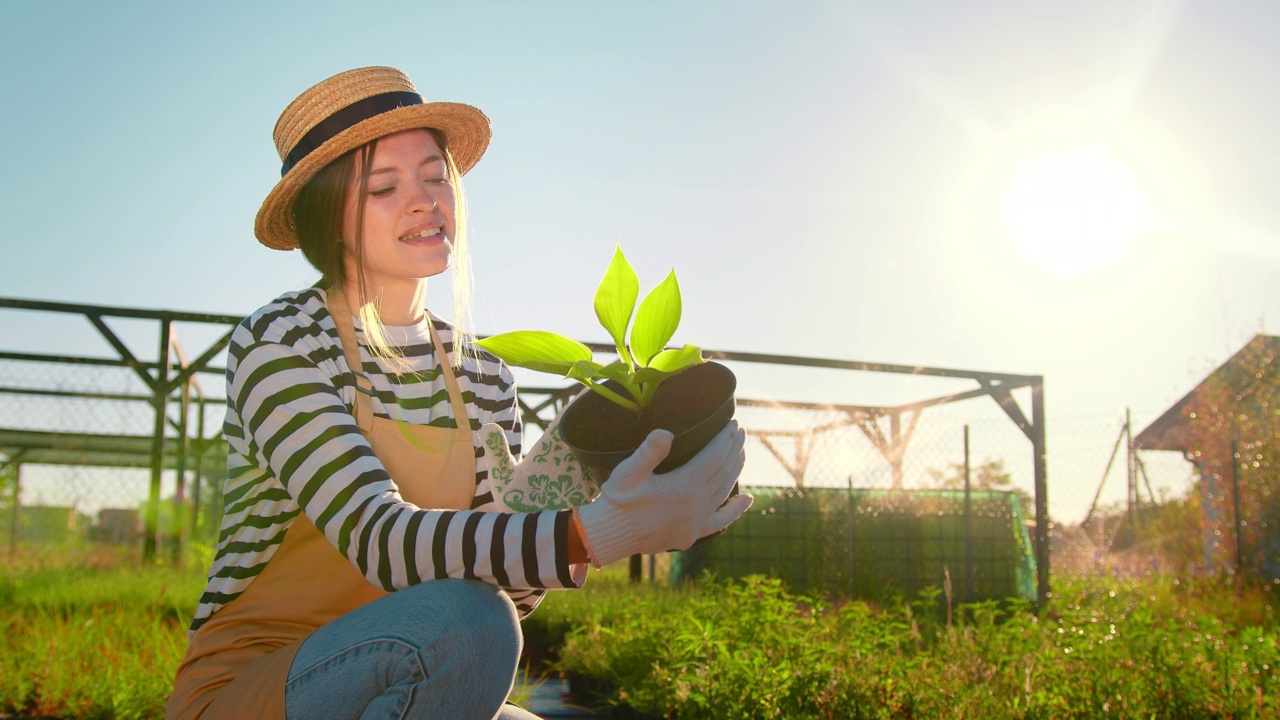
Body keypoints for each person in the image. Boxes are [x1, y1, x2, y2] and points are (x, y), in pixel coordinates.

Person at [165, 66, 751, 720]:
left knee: (486, 630)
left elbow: (508, 592)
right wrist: (600, 533)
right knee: (470, 625)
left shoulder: (481, 373)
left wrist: (575, 482)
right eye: (383, 187)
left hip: (414, 672)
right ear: (327, 217)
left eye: (435, 176)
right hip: (264, 686)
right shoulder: (280, 345)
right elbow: (382, 541)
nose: (424, 200)